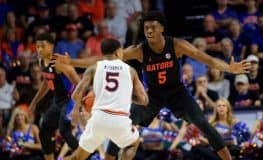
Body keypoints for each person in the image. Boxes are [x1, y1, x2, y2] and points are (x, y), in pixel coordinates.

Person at [55, 11, 250, 160]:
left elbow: (206, 59)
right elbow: (102, 59)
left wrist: (229, 68)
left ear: (162, 28)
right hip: (152, 95)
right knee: (123, 122)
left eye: (153, 27)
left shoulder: (177, 45)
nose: (149, 30)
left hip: (177, 93)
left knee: (203, 123)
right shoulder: (140, 50)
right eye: (146, 27)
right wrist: (71, 62)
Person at [64, 38, 148, 160]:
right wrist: (126, 95)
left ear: (102, 53)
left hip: (98, 119)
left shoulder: (94, 68)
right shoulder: (130, 71)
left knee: (77, 157)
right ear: (119, 52)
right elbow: (144, 100)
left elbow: (75, 94)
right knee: (133, 144)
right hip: (120, 119)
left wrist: (81, 106)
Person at [29, 33, 81, 160]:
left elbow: (79, 83)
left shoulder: (58, 62)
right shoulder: (41, 61)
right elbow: (47, 82)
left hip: (69, 100)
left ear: (51, 46)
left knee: (65, 131)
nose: (39, 49)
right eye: (37, 47)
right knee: (44, 131)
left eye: (43, 46)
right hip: (57, 101)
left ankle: (89, 156)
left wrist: (77, 107)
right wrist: (34, 102)